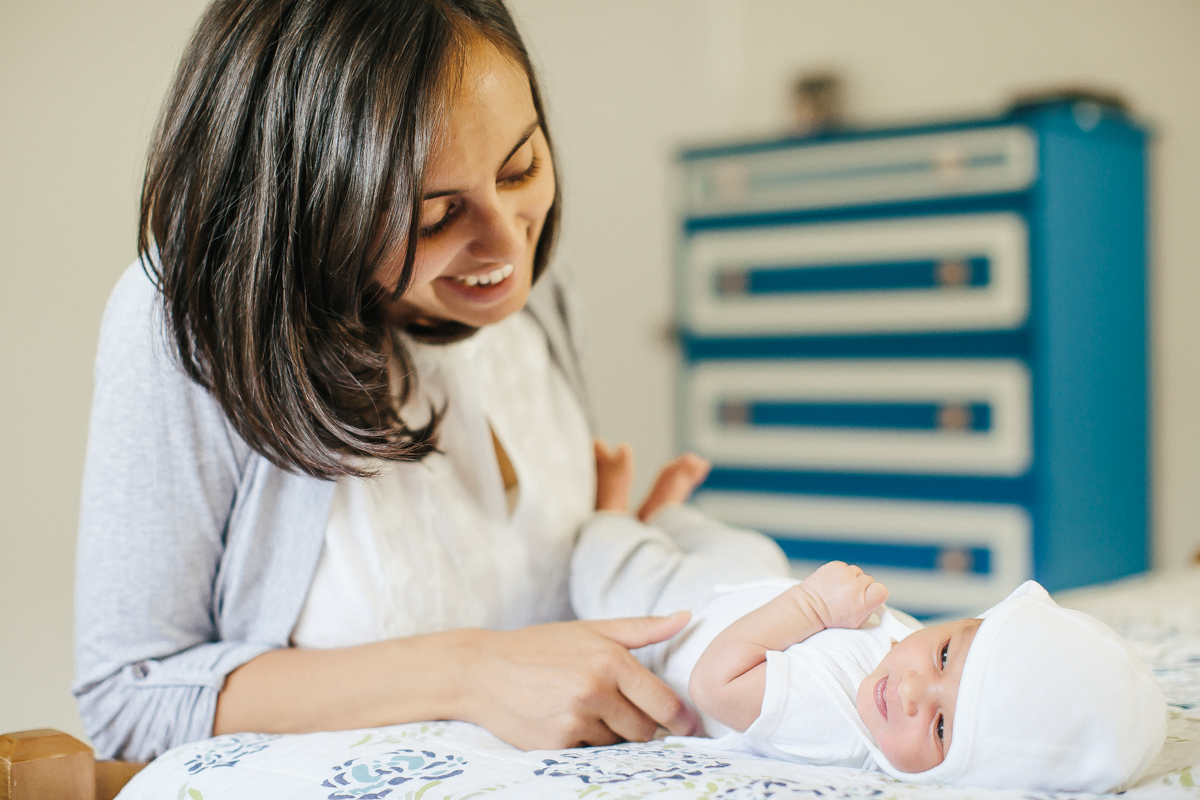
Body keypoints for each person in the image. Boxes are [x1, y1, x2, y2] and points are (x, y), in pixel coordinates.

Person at [73, 0, 713, 762]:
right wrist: (465, 673)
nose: (507, 241)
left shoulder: (530, 283)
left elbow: (538, 626)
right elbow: (129, 697)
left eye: (522, 167)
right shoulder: (183, 320)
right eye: (438, 216)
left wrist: (616, 550)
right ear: (312, 212)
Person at [576, 443, 1169, 794]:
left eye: (941, 728)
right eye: (943, 656)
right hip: (754, 590)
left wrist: (809, 605)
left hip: (683, 621)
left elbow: (714, 682)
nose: (912, 690)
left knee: (614, 576)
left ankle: (611, 513)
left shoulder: (834, 724)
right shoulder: (906, 679)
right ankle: (669, 514)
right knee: (744, 548)